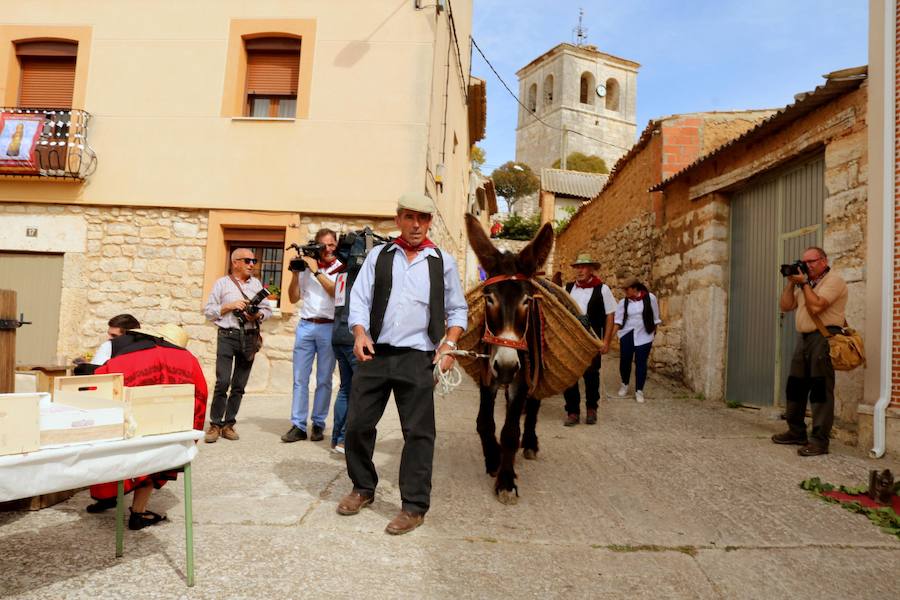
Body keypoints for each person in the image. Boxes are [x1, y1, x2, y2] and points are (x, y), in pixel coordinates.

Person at [336, 192, 467, 536]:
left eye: (422, 219)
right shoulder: (380, 256)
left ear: (429, 223)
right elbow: (360, 300)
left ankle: (414, 507)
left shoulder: (443, 261)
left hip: (418, 357)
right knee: (358, 425)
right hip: (376, 353)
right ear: (398, 219)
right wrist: (360, 333)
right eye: (409, 217)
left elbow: (458, 310)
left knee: (419, 434)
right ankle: (363, 488)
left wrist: (450, 345)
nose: (416, 225)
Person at [84, 324, 208, 530]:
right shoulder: (189, 360)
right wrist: (189, 433)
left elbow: (99, 385)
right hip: (166, 424)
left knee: (117, 452)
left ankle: (106, 496)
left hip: (127, 423)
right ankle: (138, 513)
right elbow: (200, 397)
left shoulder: (127, 356)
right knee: (154, 460)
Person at [771, 247, 847, 456]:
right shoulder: (807, 284)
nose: (807, 265)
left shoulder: (833, 281)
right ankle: (796, 432)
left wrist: (803, 283)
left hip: (823, 338)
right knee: (794, 387)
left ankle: (819, 441)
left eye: (811, 261)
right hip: (803, 339)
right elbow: (786, 306)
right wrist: (790, 283)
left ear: (823, 260)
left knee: (820, 391)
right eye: (804, 262)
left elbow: (816, 307)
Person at [203, 248, 271, 443]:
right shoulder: (222, 284)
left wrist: (256, 315)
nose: (252, 264)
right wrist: (230, 306)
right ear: (235, 262)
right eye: (248, 260)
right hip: (227, 335)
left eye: (254, 260)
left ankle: (229, 424)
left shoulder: (256, 284)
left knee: (239, 385)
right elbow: (208, 312)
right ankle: (215, 424)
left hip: (249, 336)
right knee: (223, 381)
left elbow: (267, 311)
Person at [281, 229, 342, 443]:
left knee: (324, 379)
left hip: (328, 326)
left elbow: (336, 292)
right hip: (306, 325)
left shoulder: (340, 267)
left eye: (332, 244)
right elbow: (293, 297)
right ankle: (298, 424)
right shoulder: (306, 268)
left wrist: (316, 271)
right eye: (323, 245)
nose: (328, 249)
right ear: (316, 246)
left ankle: (318, 423)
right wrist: (296, 274)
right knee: (300, 378)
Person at [563, 253, 616, 426]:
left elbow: (610, 316)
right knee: (570, 376)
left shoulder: (603, 289)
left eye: (583, 267)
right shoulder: (568, 288)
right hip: (571, 339)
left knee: (591, 375)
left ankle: (591, 409)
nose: (579, 270)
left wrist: (606, 341)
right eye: (577, 267)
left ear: (592, 269)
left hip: (592, 339)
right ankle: (572, 412)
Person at [611, 278, 661, 404]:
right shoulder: (623, 302)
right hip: (627, 334)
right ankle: (625, 384)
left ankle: (639, 391)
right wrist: (608, 339)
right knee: (625, 361)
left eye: (626, 289)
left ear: (635, 288)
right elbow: (617, 321)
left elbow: (656, 317)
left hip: (644, 335)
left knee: (641, 363)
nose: (625, 292)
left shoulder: (651, 298)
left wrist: (653, 334)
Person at [74, 314, 141, 375]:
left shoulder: (108, 346)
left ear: (128, 337)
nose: (109, 338)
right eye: (109, 334)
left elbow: (93, 375)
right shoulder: (144, 348)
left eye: (114, 335)